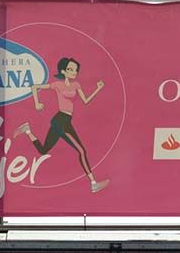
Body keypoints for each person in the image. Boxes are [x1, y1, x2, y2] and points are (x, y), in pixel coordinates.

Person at [14, 56, 109, 193]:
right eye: (70, 69)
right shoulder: (57, 85)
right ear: (63, 71)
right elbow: (34, 87)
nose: (74, 72)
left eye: (75, 70)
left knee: (43, 150)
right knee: (81, 151)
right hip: (61, 120)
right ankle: (93, 183)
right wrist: (37, 103)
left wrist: (98, 89)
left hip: (64, 121)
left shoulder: (76, 85)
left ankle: (28, 130)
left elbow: (86, 101)